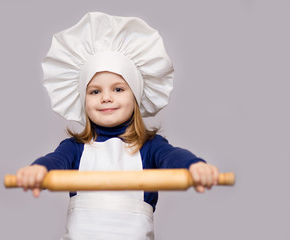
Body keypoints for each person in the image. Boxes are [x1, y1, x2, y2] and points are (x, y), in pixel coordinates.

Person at [16, 12, 219, 240]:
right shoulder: (76, 148)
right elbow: (55, 161)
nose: (106, 98)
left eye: (118, 89)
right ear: (83, 100)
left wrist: (194, 166)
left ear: (136, 95)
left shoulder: (149, 147)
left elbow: (172, 157)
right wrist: (38, 170)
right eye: (95, 91)